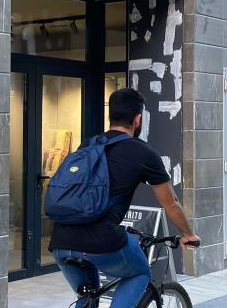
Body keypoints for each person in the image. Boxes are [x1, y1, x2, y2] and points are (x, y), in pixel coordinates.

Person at [50, 88, 201, 308]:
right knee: (139, 272)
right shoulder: (143, 153)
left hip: (61, 242)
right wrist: (187, 234)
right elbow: (171, 202)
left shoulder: (89, 145)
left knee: (88, 295)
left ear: (110, 116)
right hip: (102, 239)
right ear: (138, 119)